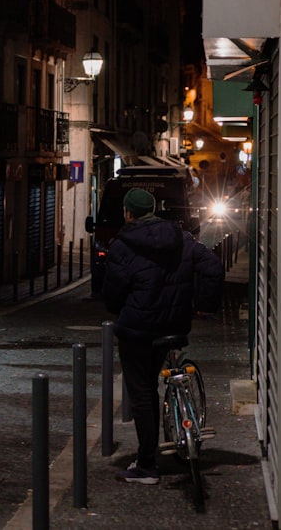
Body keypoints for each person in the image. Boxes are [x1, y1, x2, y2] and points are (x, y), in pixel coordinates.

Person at [101, 188, 223, 485]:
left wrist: (123, 308)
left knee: (142, 392)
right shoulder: (182, 238)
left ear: (128, 213)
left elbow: (112, 296)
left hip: (138, 331)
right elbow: (213, 266)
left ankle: (146, 465)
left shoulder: (121, 246)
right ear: (156, 210)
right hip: (174, 325)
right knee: (157, 377)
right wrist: (204, 307)